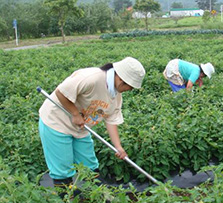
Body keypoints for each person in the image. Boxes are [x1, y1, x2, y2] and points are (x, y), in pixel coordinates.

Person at [38, 57, 145, 194]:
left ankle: (100, 196)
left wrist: (118, 147)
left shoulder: (116, 95)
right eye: (129, 86)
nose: (130, 89)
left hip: (81, 128)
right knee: (63, 168)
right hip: (57, 122)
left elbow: (111, 120)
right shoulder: (92, 78)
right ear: (120, 78)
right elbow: (61, 92)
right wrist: (75, 114)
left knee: (89, 163)